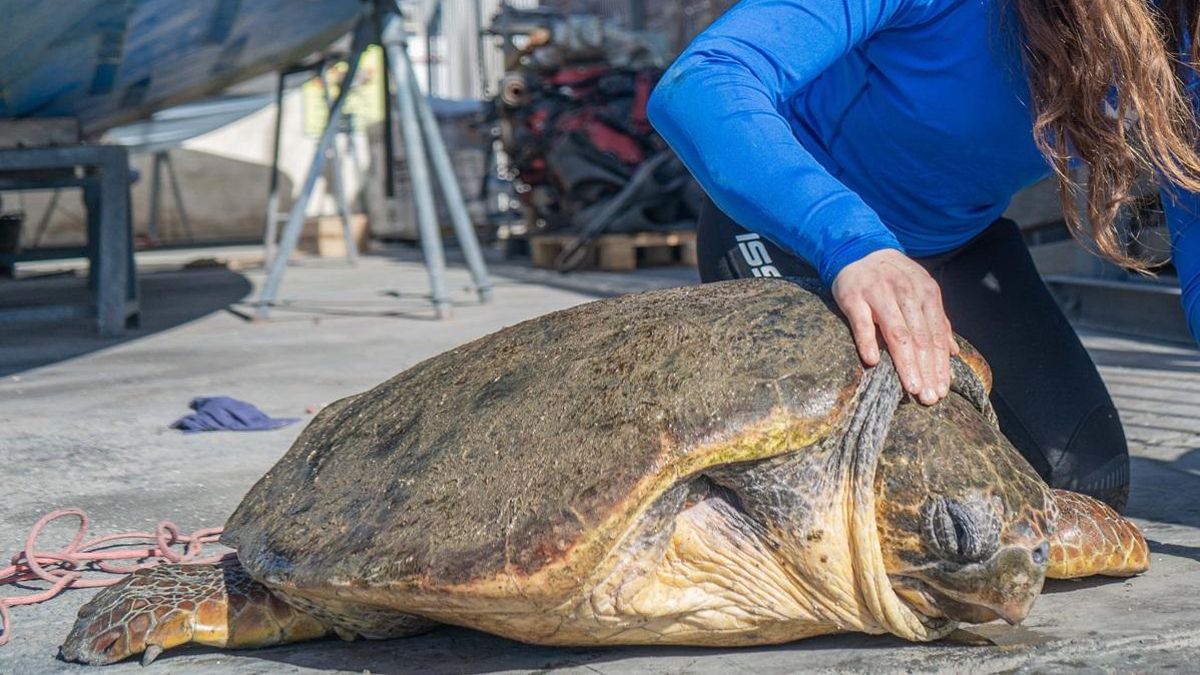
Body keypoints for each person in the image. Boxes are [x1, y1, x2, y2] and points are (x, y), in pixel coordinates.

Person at [647, 0, 1200, 511]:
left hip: (955, 245)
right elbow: (703, 80)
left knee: (1081, 491)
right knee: (837, 498)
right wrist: (851, 242)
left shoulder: (1179, 28)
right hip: (804, 241)